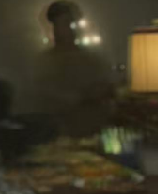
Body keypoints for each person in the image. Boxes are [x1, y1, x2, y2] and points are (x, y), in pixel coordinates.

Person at [30, 1, 114, 138]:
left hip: (94, 131)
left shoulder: (92, 59)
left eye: (70, 24)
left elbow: (106, 87)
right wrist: (81, 97)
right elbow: (44, 96)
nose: (67, 29)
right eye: (61, 24)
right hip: (60, 134)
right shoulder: (45, 62)